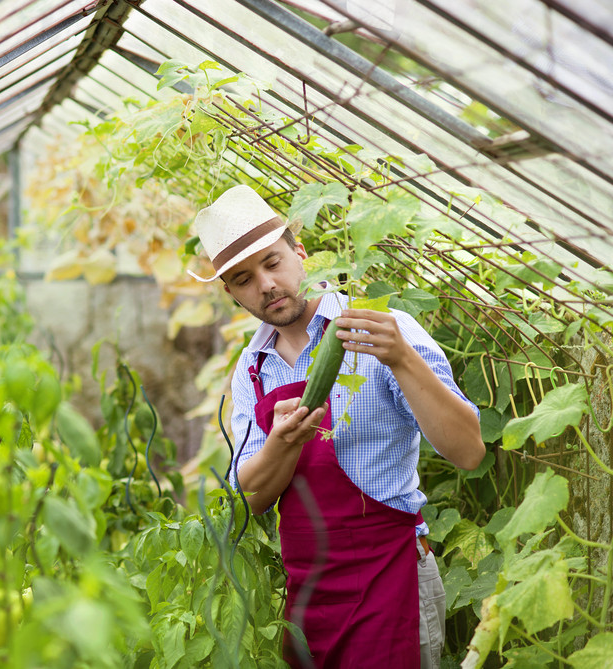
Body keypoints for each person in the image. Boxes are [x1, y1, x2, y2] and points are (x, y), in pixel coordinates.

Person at [188, 185, 485, 669]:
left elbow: (469, 452)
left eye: (273, 262)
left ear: (300, 253)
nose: (265, 284)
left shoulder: (385, 330)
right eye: (244, 278)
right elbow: (252, 498)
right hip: (309, 597)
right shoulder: (252, 369)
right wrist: (281, 447)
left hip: (394, 575)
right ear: (231, 291)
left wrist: (401, 358)